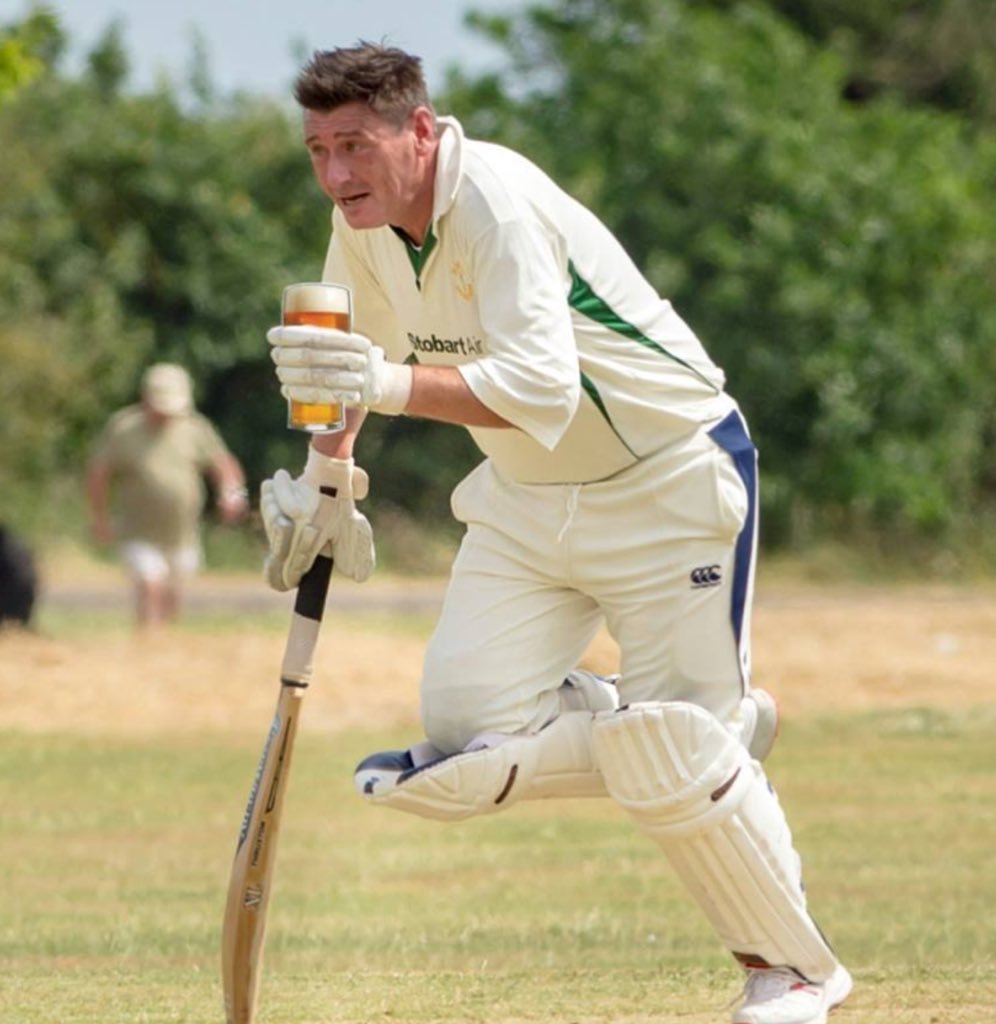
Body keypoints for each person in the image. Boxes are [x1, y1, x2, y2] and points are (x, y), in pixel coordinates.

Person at [259, 43, 852, 1024]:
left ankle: (791, 972)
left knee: (673, 757)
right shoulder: (355, 222)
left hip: (666, 480)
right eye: (318, 150)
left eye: (354, 146)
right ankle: (702, 728)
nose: (335, 175)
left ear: (417, 130)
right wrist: (329, 484)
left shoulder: (496, 204)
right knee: (465, 736)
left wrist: (386, 386)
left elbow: (538, 390)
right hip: (528, 500)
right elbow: (341, 355)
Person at [86, 362, 249, 628]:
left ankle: (166, 647)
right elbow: (99, 474)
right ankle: (149, 647)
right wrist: (99, 518)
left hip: (181, 532)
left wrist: (232, 493)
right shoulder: (123, 428)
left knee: (172, 595)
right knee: (150, 586)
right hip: (137, 529)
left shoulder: (196, 428)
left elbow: (223, 465)